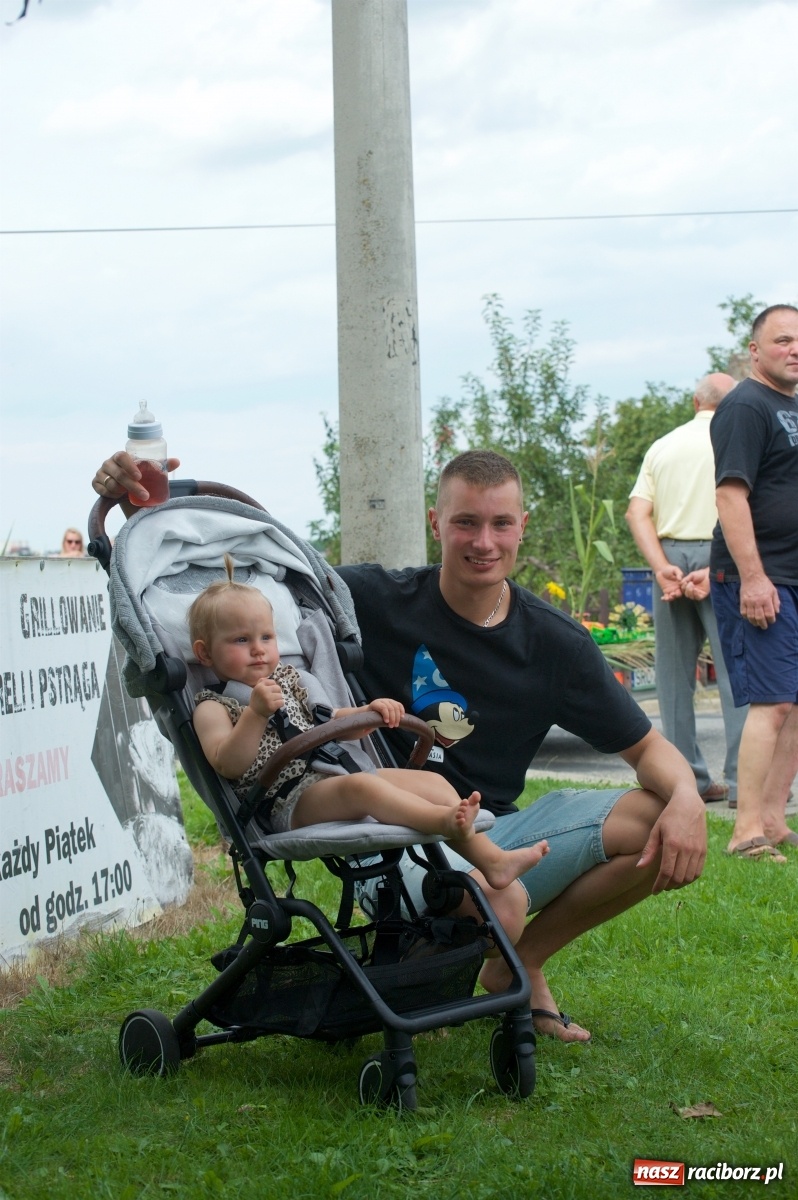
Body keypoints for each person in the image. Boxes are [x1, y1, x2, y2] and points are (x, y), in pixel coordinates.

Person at [92, 448, 707, 1044]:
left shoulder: (556, 643)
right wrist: (136, 499)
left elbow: (648, 748)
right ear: (438, 523)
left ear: (524, 527)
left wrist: (688, 799)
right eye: (465, 522)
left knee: (656, 819)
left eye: (500, 523)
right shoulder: (369, 600)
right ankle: (487, 939)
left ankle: (516, 964)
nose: (483, 541)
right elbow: (241, 583)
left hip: (492, 827)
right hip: (400, 849)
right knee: (499, 897)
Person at [188, 557, 548, 890]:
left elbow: (328, 721)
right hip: (286, 801)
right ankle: (440, 822)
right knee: (363, 788)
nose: (258, 649)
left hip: (332, 775)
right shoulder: (214, 706)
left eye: (266, 637)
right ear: (204, 653)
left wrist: (368, 714)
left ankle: (493, 861)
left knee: (433, 782)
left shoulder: (291, 679)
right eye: (241, 640)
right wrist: (255, 714)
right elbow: (227, 762)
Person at [626, 372, 747, 804]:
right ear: (732, 404)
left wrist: (662, 568)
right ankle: (742, 783)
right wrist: (717, 565)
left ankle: (688, 784)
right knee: (738, 673)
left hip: (672, 560)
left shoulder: (663, 446)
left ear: (696, 401)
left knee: (674, 679)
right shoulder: (739, 439)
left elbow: (637, 513)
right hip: (726, 556)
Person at [709, 304, 798, 862]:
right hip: (763, 578)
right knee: (771, 703)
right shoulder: (746, 404)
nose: (794, 350)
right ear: (756, 351)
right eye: (783, 340)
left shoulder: (790, 405)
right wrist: (755, 578)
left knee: (792, 704)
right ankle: (745, 831)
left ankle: (773, 819)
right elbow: (730, 494)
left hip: (792, 575)